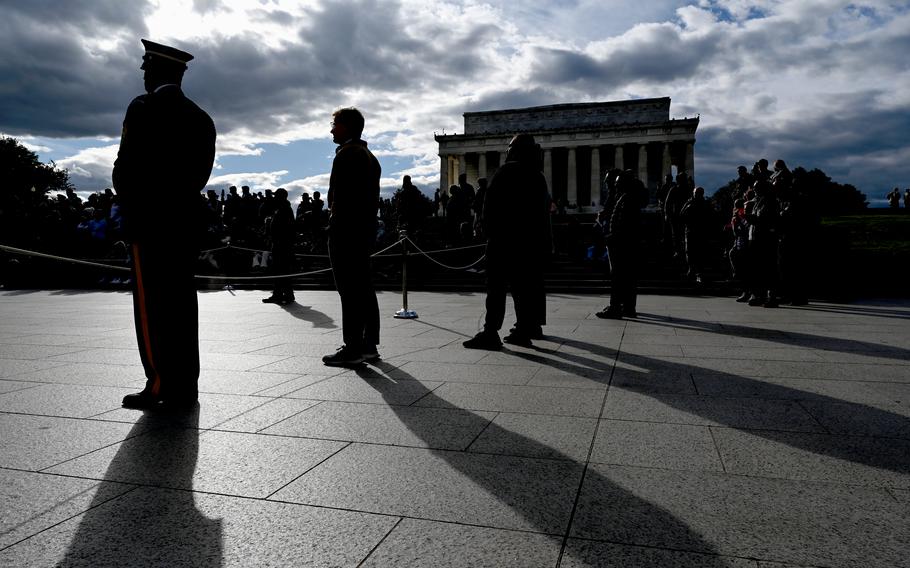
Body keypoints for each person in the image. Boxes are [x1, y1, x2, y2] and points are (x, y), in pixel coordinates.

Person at [113, 39, 216, 409]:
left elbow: (125, 169)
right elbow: (198, 176)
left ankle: (159, 384)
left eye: (146, 67)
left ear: (155, 70)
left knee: (152, 309)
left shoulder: (143, 107)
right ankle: (186, 385)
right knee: (182, 307)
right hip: (183, 225)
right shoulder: (201, 117)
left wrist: (130, 208)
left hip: (150, 224)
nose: (143, 73)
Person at [464, 134, 552, 349]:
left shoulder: (506, 172)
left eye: (510, 148)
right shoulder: (537, 176)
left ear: (515, 150)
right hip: (528, 244)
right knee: (522, 289)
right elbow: (542, 214)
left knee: (496, 289)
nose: (508, 151)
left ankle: (491, 332)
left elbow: (490, 208)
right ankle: (523, 330)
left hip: (503, 242)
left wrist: (490, 235)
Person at [322, 107, 381, 366]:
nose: (332, 129)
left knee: (349, 289)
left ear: (346, 126)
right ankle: (369, 344)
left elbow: (341, 198)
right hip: (363, 230)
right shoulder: (369, 155)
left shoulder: (347, 154)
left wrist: (335, 223)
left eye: (335, 124)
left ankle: (353, 347)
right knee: (364, 288)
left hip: (346, 230)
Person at [596, 170, 645, 319]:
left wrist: (612, 236)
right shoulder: (626, 198)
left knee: (618, 276)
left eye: (617, 184)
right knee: (627, 277)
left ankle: (615, 307)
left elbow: (624, 224)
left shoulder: (627, 200)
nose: (614, 187)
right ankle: (628, 308)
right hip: (625, 242)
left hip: (622, 244)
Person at [262, 187, 296, 305]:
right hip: (278, 243)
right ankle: (280, 294)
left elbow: (288, 228)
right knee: (278, 270)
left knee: (283, 270)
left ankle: (286, 295)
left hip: (283, 245)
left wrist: (280, 240)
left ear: (281, 197)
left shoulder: (285, 209)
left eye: (276, 195)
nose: (274, 197)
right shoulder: (280, 208)